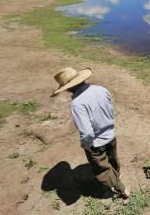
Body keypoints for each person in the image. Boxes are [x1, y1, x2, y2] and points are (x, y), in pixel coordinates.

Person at [51, 66, 130, 202]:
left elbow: (87, 132)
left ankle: (121, 188)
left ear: (68, 88)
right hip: (111, 135)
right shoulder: (101, 89)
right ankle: (117, 174)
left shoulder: (77, 103)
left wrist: (86, 145)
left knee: (102, 169)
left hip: (96, 142)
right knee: (112, 158)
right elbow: (110, 111)